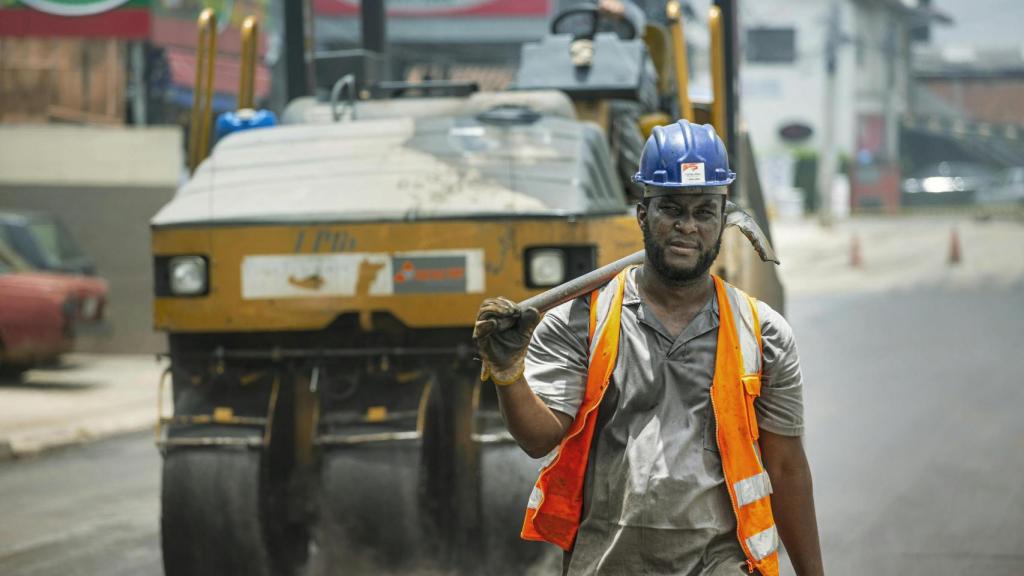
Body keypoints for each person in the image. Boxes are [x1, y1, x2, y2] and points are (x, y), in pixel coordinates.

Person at [474, 120, 824, 575]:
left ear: (723, 220)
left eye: (704, 212)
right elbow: (538, 438)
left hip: (720, 563)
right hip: (609, 562)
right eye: (671, 209)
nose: (687, 226)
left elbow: (787, 467)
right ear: (643, 215)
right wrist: (509, 375)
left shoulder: (763, 333)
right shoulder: (582, 321)